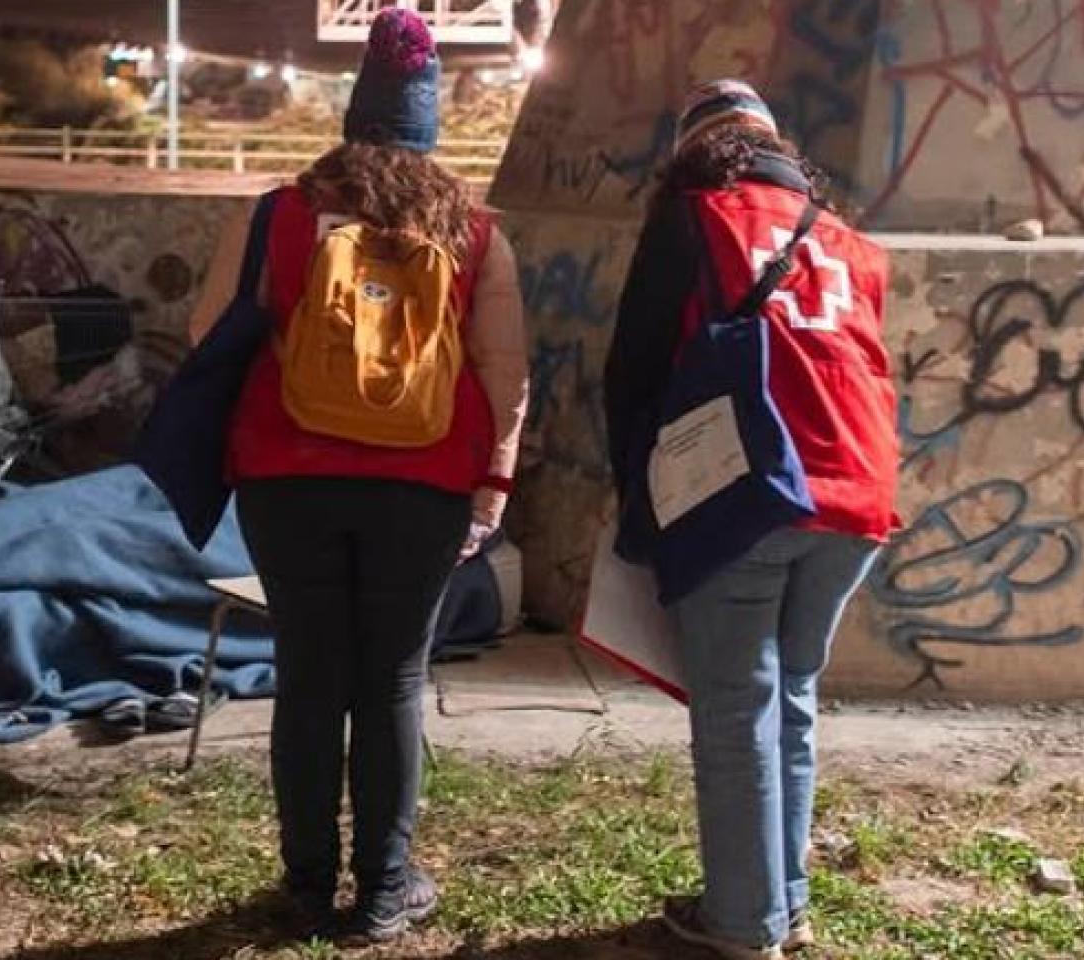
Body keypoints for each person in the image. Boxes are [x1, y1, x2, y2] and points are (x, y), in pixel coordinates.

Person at [187, 9, 528, 943]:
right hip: (422, 483)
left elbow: (206, 335)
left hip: (285, 471)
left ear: (353, 114)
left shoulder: (279, 214)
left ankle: (303, 886)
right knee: (389, 683)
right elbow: (505, 372)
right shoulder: (474, 230)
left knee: (307, 675)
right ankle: (383, 891)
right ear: (429, 127)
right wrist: (492, 484)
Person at [603, 80, 901, 960]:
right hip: (857, 491)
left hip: (746, 492)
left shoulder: (695, 221)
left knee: (736, 711)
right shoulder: (851, 243)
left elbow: (634, 372)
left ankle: (742, 924)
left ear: (692, 153)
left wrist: (637, 503)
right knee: (792, 699)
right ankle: (783, 904)